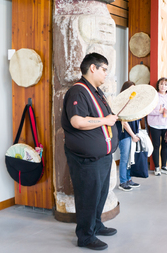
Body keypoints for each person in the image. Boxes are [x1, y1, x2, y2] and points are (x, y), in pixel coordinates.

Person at [61, 53, 119, 250]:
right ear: (92, 68)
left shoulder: (96, 91)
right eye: (104, 69)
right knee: (88, 196)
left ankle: (96, 225)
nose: (106, 74)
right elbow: (77, 121)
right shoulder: (78, 92)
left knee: (100, 194)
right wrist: (105, 120)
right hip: (86, 159)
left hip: (101, 156)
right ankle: (85, 236)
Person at [116, 81, 141, 191]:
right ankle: (122, 182)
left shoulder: (133, 103)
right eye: (130, 89)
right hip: (125, 134)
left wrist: (137, 134)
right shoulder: (122, 103)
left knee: (130, 158)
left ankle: (129, 179)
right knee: (125, 158)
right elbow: (124, 123)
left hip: (132, 134)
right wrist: (133, 135)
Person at [148, 77, 167, 176]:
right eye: (161, 84)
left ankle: (164, 166)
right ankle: (156, 167)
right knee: (156, 146)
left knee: (165, 146)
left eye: (165, 84)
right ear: (158, 85)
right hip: (154, 124)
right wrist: (158, 112)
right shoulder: (154, 96)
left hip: (165, 124)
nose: (163, 86)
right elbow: (148, 111)